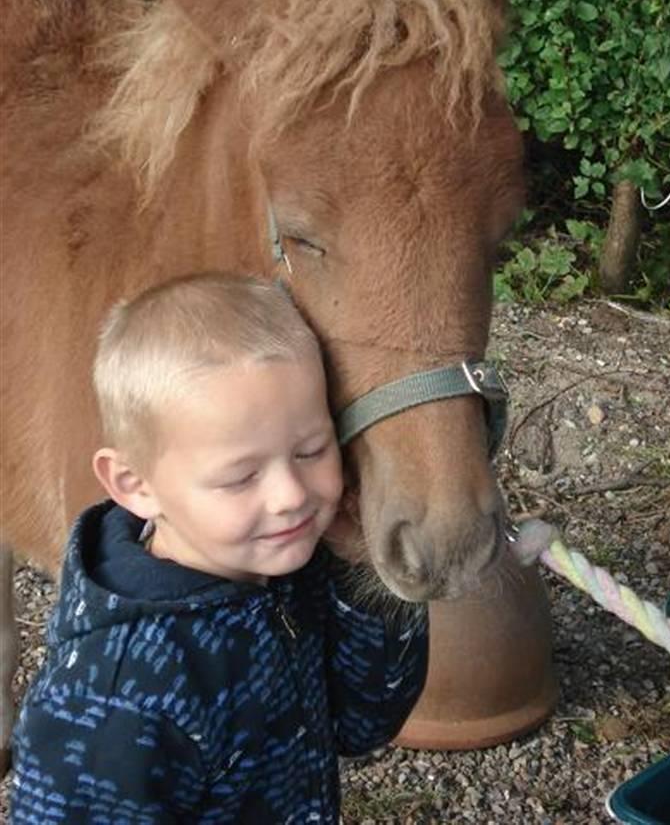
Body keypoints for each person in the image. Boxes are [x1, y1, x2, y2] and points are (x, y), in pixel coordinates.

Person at [10, 272, 428, 824]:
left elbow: (363, 723)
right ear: (136, 484)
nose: (290, 496)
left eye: (311, 451)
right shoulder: (113, 706)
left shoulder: (283, 563)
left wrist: (361, 573)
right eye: (240, 477)